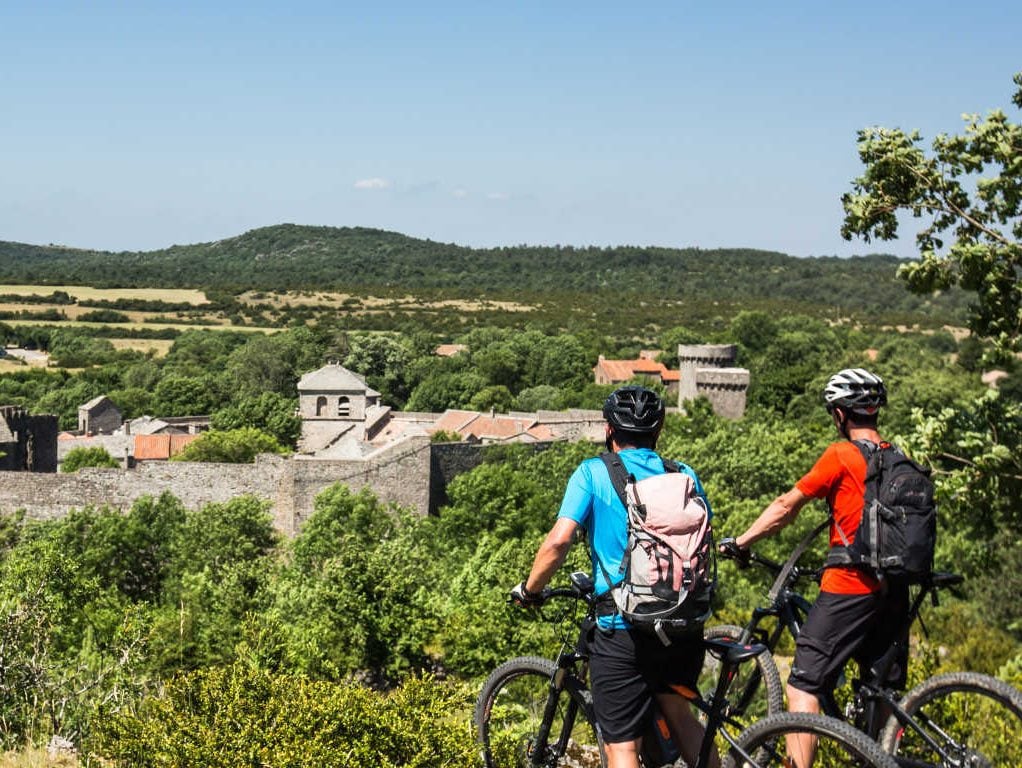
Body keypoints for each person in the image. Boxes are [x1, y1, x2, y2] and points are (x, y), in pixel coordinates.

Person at [510, 385, 718, 768]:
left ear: (609, 430)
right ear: (659, 431)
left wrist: (529, 589)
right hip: (683, 623)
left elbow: (559, 542)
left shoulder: (592, 473)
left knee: (622, 747)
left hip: (621, 628)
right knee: (683, 719)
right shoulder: (683, 474)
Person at [720, 368, 910, 767]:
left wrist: (740, 542)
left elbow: (786, 507)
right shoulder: (898, 457)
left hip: (849, 584)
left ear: (840, 414)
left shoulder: (840, 455)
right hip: (895, 587)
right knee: (882, 692)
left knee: (804, 684)